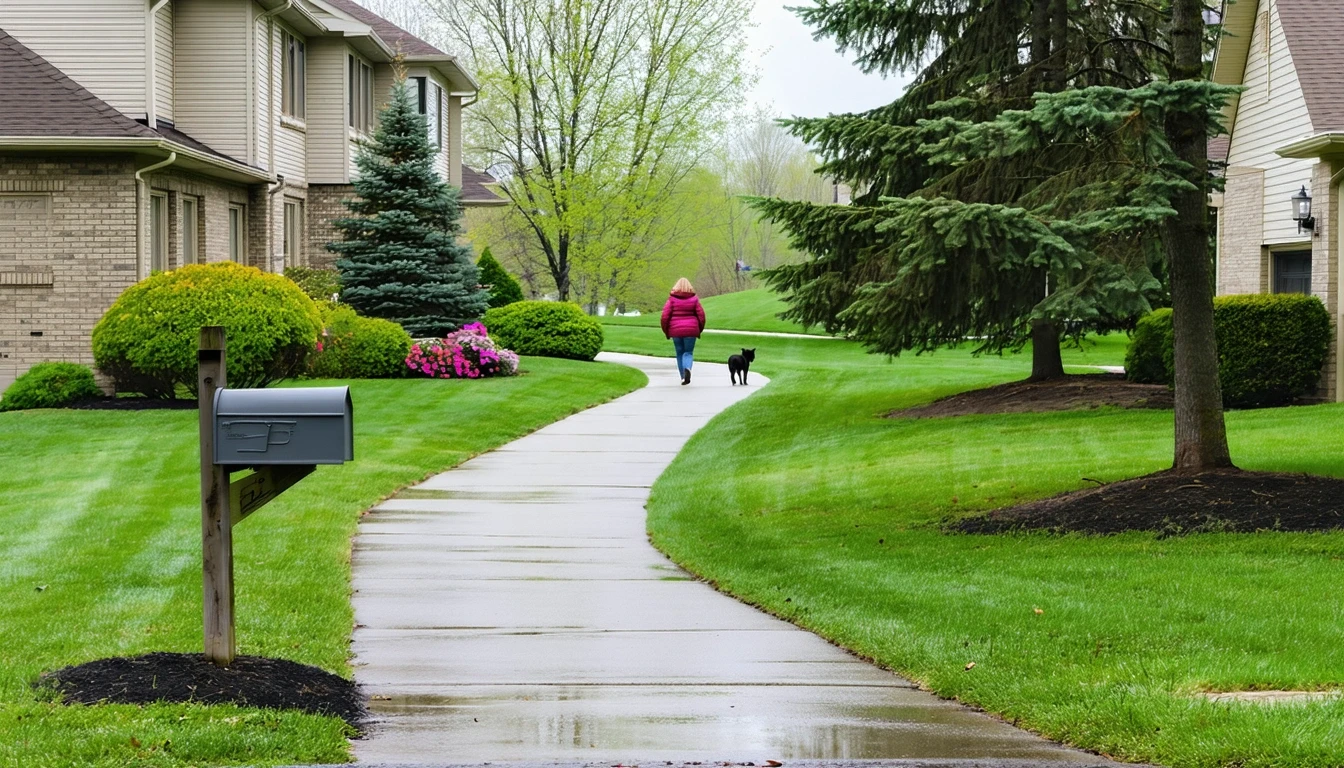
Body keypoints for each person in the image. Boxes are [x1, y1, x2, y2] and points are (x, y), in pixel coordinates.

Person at [660, 277, 706, 385]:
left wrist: (666, 331)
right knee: (688, 353)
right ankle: (688, 368)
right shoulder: (694, 299)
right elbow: (702, 316)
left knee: (679, 353)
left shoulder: (671, 300)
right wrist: (699, 329)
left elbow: (664, 317)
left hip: (675, 331)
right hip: (691, 331)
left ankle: (683, 377)